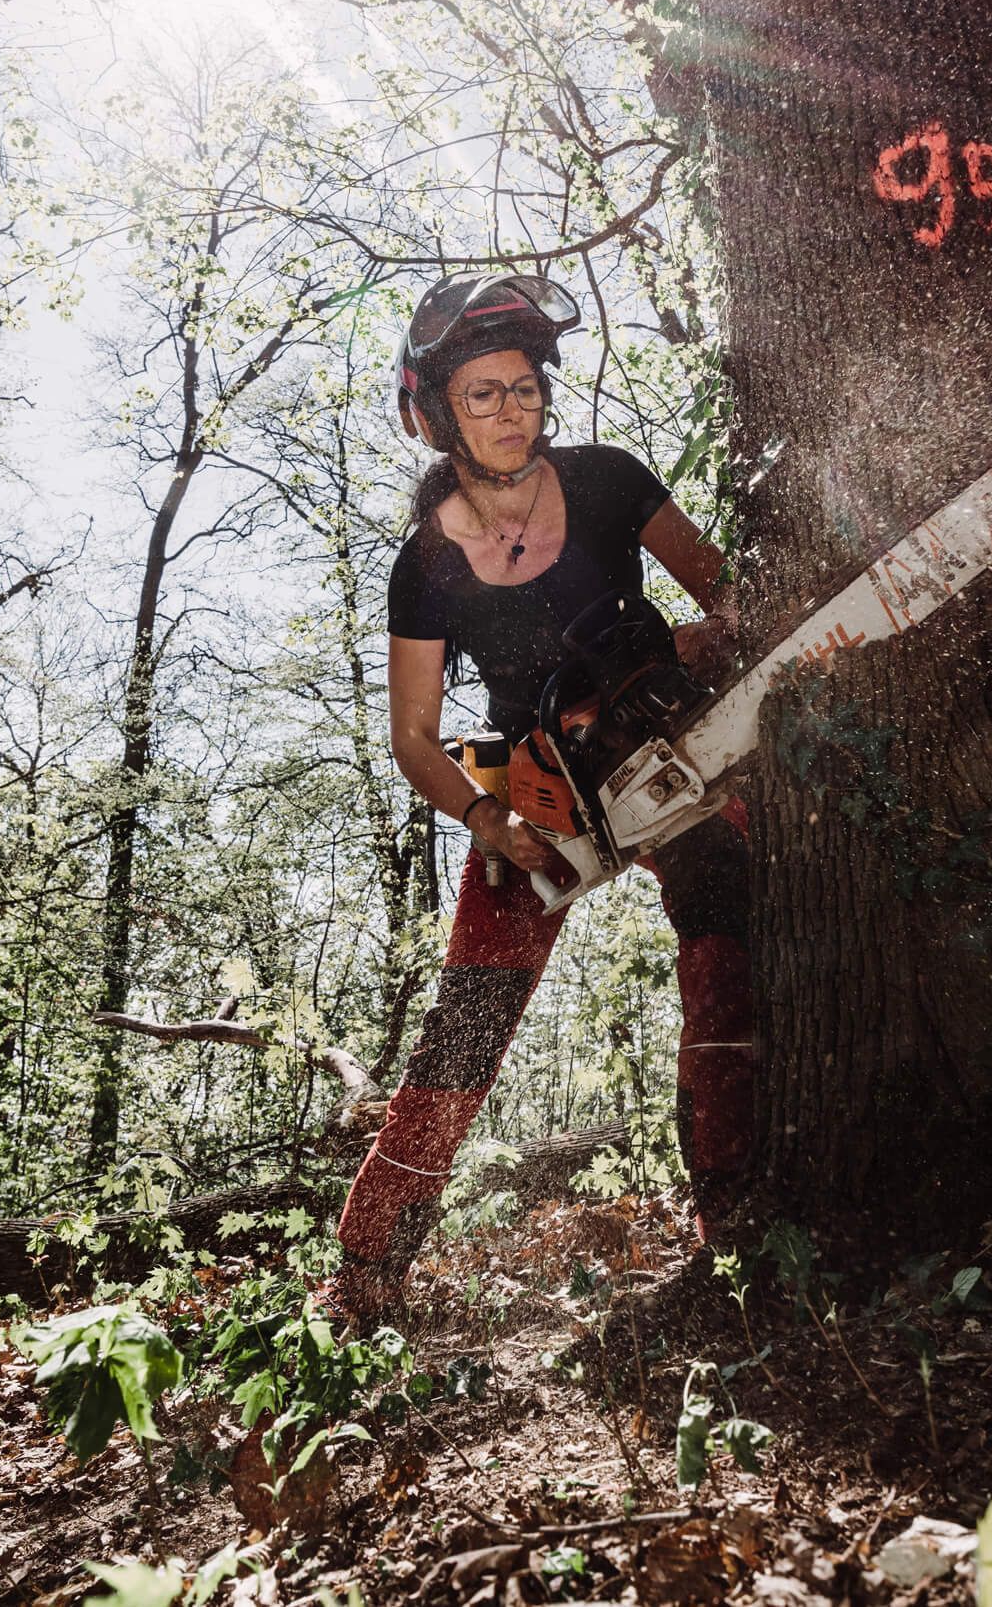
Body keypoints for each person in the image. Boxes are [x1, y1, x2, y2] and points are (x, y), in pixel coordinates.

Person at [327, 273, 758, 1325]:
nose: (511, 409)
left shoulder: (608, 480)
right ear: (436, 411)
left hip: (661, 739)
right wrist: (490, 823)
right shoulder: (424, 567)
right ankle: (366, 1272)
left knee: (734, 952)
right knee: (469, 1021)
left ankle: (739, 1232)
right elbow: (416, 739)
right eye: (483, 393)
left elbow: (728, 593)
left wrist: (701, 648)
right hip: (535, 786)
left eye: (522, 387)